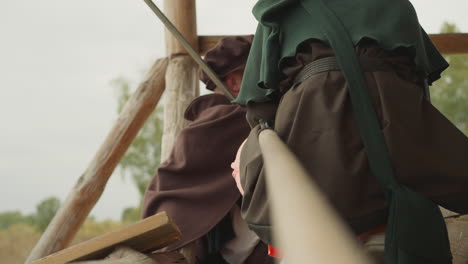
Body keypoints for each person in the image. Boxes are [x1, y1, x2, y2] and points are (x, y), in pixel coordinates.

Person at [233, 0, 468, 263]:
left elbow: (259, 110)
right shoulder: (398, 7)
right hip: (392, 191)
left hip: (314, 191)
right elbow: (418, 90)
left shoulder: (279, 10)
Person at [141, 35, 275, 264]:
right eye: (259, 72)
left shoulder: (232, 119)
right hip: (232, 250)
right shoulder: (230, 120)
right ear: (234, 83)